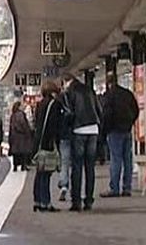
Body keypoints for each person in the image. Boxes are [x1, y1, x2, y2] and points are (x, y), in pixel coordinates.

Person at [62, 72, 101, 211]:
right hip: (93, 129)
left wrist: (67, 128)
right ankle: (89, 200)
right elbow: (99, 109)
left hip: (79, 130)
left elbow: (69, 113)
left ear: (67, 81)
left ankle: (76, 201)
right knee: (90, 167)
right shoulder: (89, 90)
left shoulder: (69, 92)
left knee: (77, 167)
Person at [100, 73, 139, 197]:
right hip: (127, 130)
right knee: (128, 160)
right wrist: (130, 122)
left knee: (116, 159)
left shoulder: (109, 96)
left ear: (108, 83)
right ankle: (127, 188)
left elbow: (106, 115)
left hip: (114, 131)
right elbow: (136, 110)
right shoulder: (127, 94)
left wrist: (105, 130)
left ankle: (114, 188)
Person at [32, 81, 62, 212]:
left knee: (39, 173)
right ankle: (46, 203)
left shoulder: (39, 105)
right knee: (46, 174)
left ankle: (37, 201)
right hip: (48, 142)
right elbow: (55, 125)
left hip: (38, 142)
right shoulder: (54, 104)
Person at [56, 89, 73, 202]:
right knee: (77, 163)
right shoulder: (74, 108)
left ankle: (64, 185)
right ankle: (76, 189)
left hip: (63, 138)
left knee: (64, 163)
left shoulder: (57, 108)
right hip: (76, 135)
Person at [9, 101, 33, 171]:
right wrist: (27, 131)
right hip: (22, 137)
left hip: (15, 137)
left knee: (16, 153)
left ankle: (15, 167)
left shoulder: (13, 115)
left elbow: (11, 127)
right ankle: (23, 166)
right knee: (23, 153)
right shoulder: (21, 114)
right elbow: (23, 124)